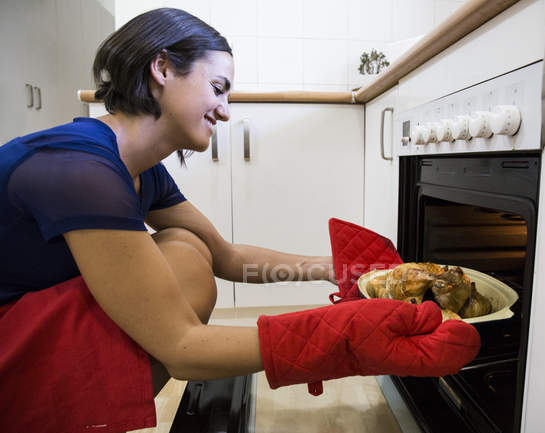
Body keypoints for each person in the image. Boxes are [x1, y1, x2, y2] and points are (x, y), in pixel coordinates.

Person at [0, 8, 481, 433]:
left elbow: (228, 259)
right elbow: (184, 350)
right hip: (10, 364)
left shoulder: (139, 170)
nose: (226, 111)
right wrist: (344, 336)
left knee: (189, 248)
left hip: (27, 325)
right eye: (217, 88)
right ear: (162, 67)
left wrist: (354, 272)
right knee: (185, 261)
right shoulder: (81, 169)